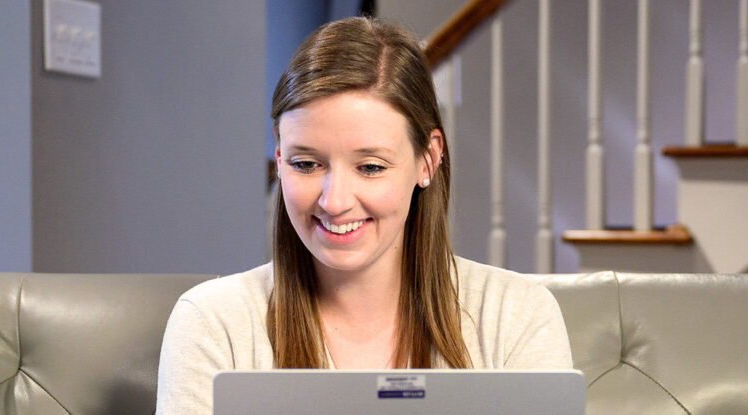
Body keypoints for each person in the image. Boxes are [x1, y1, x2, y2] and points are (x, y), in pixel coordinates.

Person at [154, 16, 575, 414]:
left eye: (370, 167)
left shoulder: (516, 316)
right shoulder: (213, 323)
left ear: (428, 160)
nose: (335, 201)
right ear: (280, 158)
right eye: (306, 164)